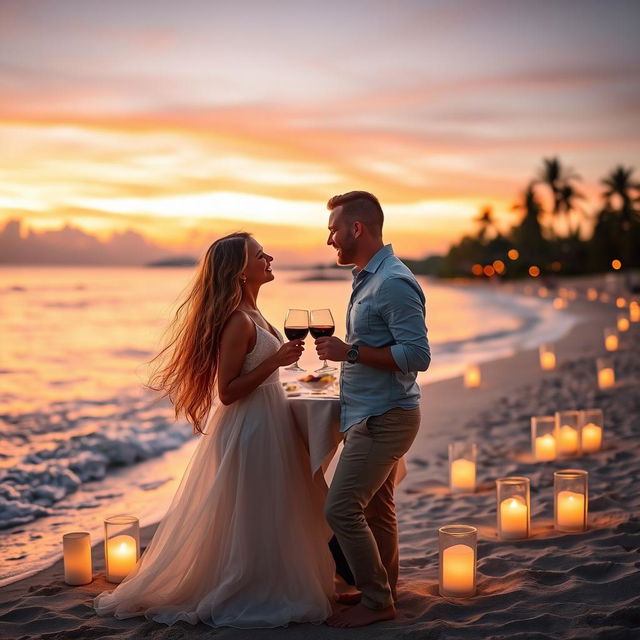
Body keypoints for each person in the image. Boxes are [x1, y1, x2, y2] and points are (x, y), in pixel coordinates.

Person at [94, 232, 335, 628]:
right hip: (251, 430)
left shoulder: (257, 314)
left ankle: (274, 579)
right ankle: (251, 586)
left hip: (270, 423)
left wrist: (317, 384)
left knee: (277, 509)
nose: (269, 257)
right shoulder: (238, 322)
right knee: (256, 512)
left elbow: (272, 379)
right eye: (261, 255)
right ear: (241, 272)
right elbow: (227, 392)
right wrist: (275, 362)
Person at [315, 191, 430, 628]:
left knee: (340, 508)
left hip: (386, 417)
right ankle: (380, 590)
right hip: (370, 413)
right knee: (378, 509)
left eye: (333, 230)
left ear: (356, 229)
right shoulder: (367, 277)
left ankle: (378, 602)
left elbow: (417, 355)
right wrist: (350, 358)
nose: (329, 240)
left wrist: (352, 354)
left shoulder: (394, 282)